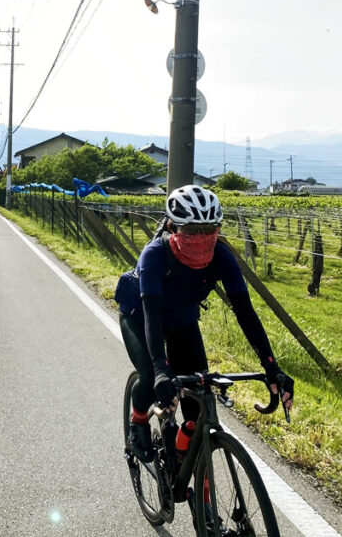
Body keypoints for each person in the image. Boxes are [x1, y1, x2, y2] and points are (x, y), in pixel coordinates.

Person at [117, 185, 294, 463]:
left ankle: (187, 460)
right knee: (151, 377)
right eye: (190, 231)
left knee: (198, 402)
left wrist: (271, 365)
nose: (200, 238)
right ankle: (137, 420)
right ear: (173, 227)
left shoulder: (222, 257)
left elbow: (245, 313)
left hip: (182, 321)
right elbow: (152, 315)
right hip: (139, 317)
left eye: (208, 229)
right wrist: (161, 367)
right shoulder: (155, 255)